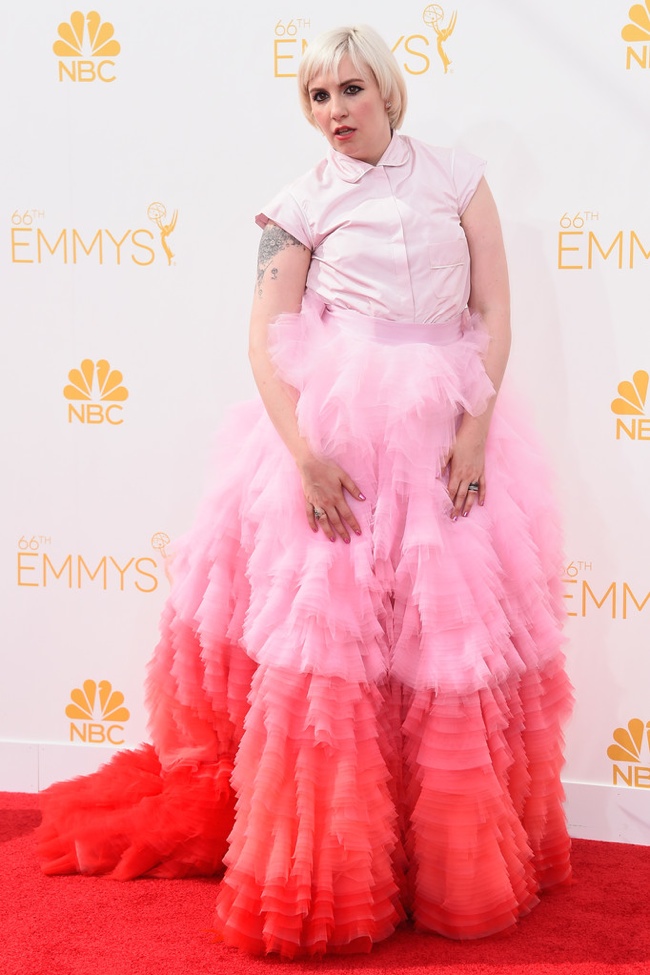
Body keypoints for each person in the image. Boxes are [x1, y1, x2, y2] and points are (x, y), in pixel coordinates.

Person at [37, 24, 573, 959]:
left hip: (447, 424)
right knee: (335, 661)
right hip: (338, 438)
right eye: (318, 98)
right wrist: (304, 458)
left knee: (444, 648)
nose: (335, 113)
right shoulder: (297, 205)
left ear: (388, 92)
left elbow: (495, 307)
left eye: (350, 91)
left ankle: (443, 860)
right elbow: (264, 337)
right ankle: (337, 863)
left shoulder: (457, 176)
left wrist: (476, 430)